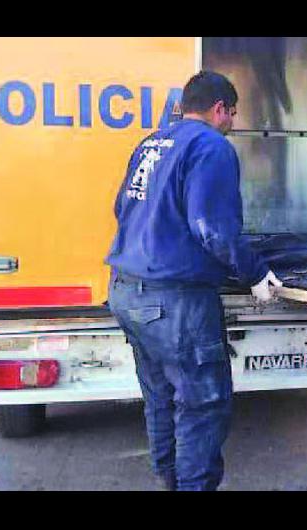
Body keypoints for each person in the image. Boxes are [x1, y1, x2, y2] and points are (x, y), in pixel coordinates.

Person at [105, 71, 282, 491]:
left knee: (161, 400)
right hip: (175, 303)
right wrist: (255, 273)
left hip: (127, 291)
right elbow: (210, 227)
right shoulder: (210, 146)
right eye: (233, 114)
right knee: (203, 405)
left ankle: (170, 480)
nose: (233, 123)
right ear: (219, 108)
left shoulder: (151, 143)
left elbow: (121, 208)